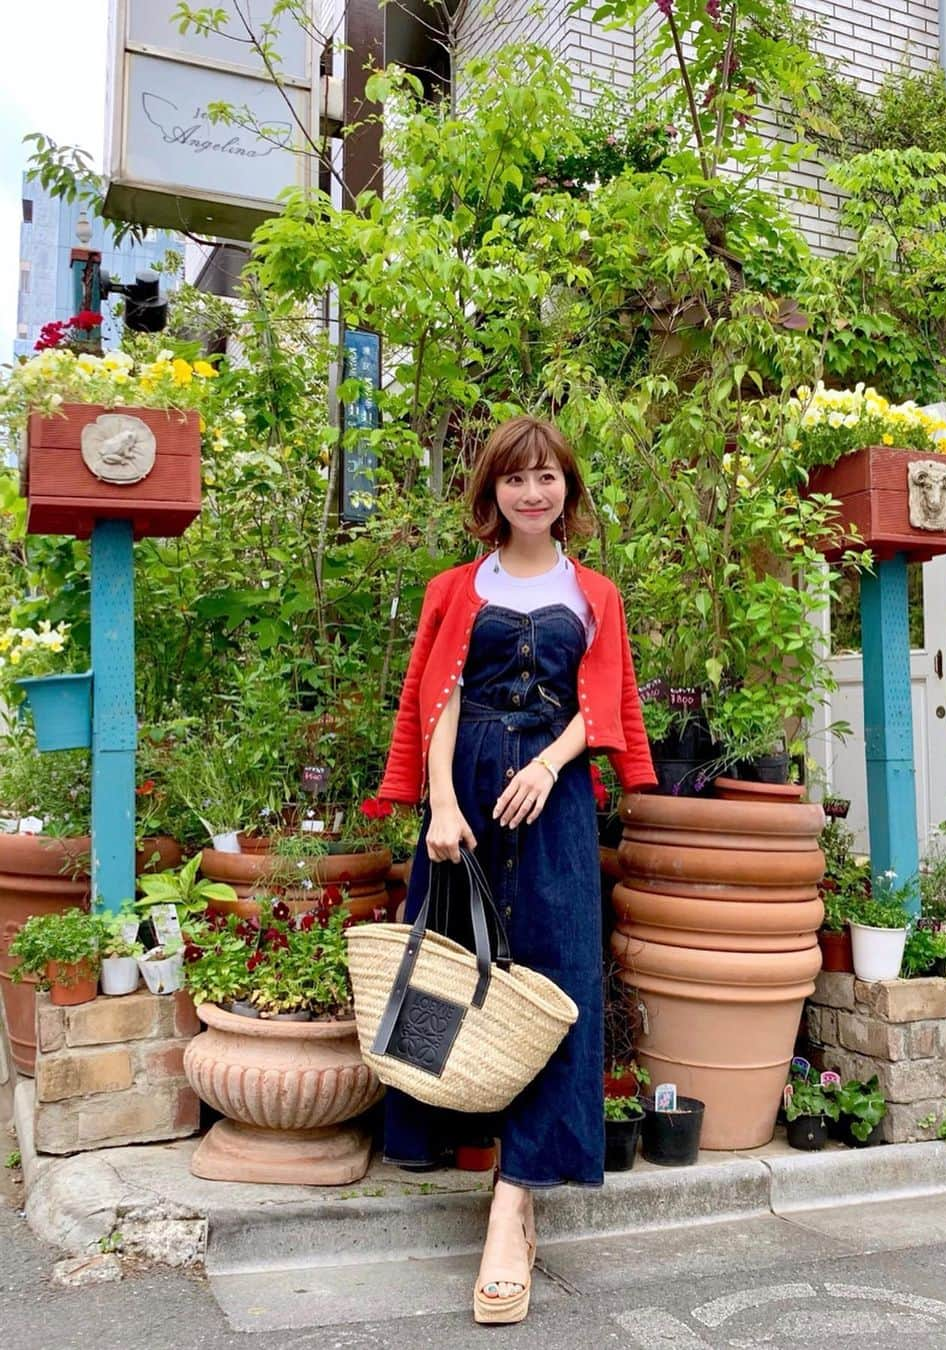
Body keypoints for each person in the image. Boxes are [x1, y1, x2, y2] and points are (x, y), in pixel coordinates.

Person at [377, 414, 656, 1325]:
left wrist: (546, 765)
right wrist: (441, 807)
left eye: (548, 479)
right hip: (464, 801)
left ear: (568, 493)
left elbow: (603, 702)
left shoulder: (596, 594)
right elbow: (436, 698)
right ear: (491, 493)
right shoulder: (458, 587)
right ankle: (444, 1132)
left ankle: (516, 1199)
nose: (532, 493)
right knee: (447, 971)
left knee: (556, 978)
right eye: (515, 479)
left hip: (555, 802)